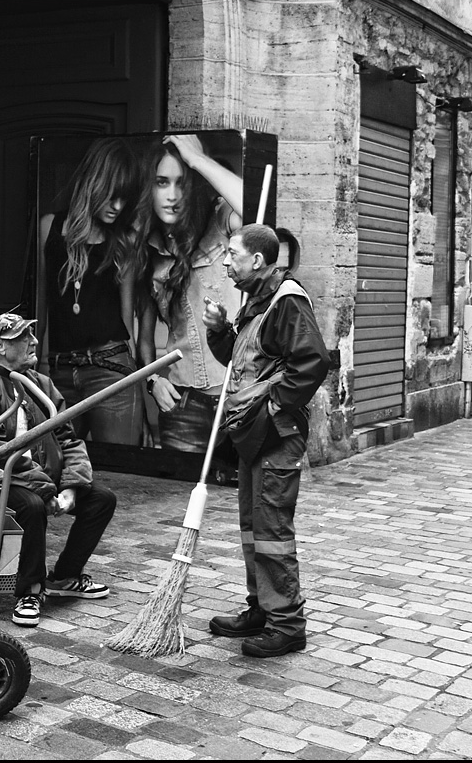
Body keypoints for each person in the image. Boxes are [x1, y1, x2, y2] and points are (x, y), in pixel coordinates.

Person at [0, 313, 117, 627]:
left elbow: (68, 437)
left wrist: (71, 487)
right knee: (31, 507)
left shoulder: (41, 384)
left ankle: (63, 577)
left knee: (102, 499)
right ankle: (30, 591)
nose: (34, 341)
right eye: (23, 337)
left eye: (32, 335)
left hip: (36, 479)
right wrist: (46, 491)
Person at [203, 223, 330, 658]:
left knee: (272, 529)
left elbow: (312, 363)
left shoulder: (286, 300)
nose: (225, 262)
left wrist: (273, 408)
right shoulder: (256, 302)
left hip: (276, 434)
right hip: (255, 434)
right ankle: (261, 608)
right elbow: (243, 362)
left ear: (257, 260)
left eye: (232, 255)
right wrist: (221, 330)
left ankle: (287, 624)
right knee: (253, 527)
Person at [135, 133, 243, 483]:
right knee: (177, 506)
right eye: (162, 183)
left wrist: (197, 159)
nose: (173, 195)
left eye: (182, 183)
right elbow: (144, 337)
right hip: (183, 407)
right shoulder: (146, 249)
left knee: (239, 507)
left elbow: (259, 207)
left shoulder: (221, 222)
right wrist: (152, 380)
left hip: (240, 398)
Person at [38, 137, 144, 445]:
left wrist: (137, 380)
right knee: (58, 470)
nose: (118, 206)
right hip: (59, 371)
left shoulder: (124, 239)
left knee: (120, 472)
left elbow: (128, 318)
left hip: (111, 370)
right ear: (93, 183)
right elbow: (40, 305)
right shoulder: (49, 228)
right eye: (112, 196)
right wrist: (32, 368)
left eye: (125, 198)